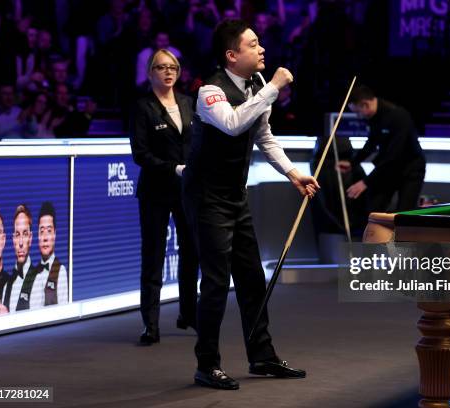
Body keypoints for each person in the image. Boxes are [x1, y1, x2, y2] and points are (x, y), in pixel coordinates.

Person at [183, 19, 319, 390]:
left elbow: (262, 135)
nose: (262, 50)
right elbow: (231, 123)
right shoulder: (210, 90)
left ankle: (262, 356)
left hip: (234, 194)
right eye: (253, 44)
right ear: (232, 55)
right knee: (214, 282)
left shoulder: (257, 85)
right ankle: (206, 365)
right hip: (206, 196)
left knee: (252, 278)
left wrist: (293, 174)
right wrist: (274, 87)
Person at [129, 49, 199, 346]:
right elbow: (140, 155)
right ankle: (151, 324)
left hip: (187, 191)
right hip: (155, 191)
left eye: (173, 67)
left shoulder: (187, 103)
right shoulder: (142, 107)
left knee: (191, 253)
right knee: (153, 256)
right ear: (150, 73)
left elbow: (196, 145)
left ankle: (188, 314)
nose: (168, 72)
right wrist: (175, 168)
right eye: (161, 67)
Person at [338, 85, 426, 214]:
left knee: (405, 214)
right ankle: (377, 234)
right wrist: (352, 163)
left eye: (357, 112)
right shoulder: (374, 117)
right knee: (374, 208)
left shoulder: (398, 116)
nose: (358, 116)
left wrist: (365, 182)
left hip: (411, 170)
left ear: (365, 105)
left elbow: (393, 155)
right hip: (389, 169)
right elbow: (371, 143)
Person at [2, 205, 41, 313]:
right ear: (13, 239)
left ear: (31, 238)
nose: (20, 243)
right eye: (17, 235)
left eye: (25, 234)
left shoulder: (38, 280)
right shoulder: (7, 285)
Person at [37, 202, 68, 306]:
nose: (45, 238)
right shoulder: (32, 272)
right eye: (42, 231)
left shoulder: (60, 271)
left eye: (49, 231)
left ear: (55, 234)